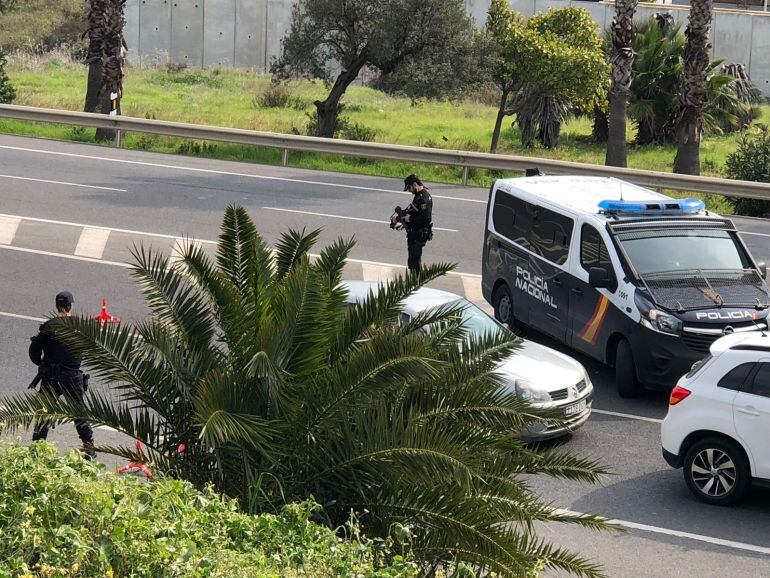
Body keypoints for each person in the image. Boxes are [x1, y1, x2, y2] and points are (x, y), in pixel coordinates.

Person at [29, 291, 95, 460]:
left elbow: (34, 352)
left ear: (57, 306)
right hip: (72, 376)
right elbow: (89, 349)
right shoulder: (81, 327)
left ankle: (37, 450)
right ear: (70, 306)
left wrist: (42, 364)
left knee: (44, 412)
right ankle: (89, 448)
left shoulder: (48, 326)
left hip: (51, 376)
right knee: (79, 413)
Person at [399, 174, 433, 273]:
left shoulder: (424, 198)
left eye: (409, 188)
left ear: (414, 184)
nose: (409, 191)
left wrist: (411, 218)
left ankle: (415, 283)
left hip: (419, 234)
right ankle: (414, 281)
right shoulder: (418, 195)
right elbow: (412, 209)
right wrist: (399, 217)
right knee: (412, 262)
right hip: (414, 234)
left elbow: (426, 218)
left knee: (414, 263)